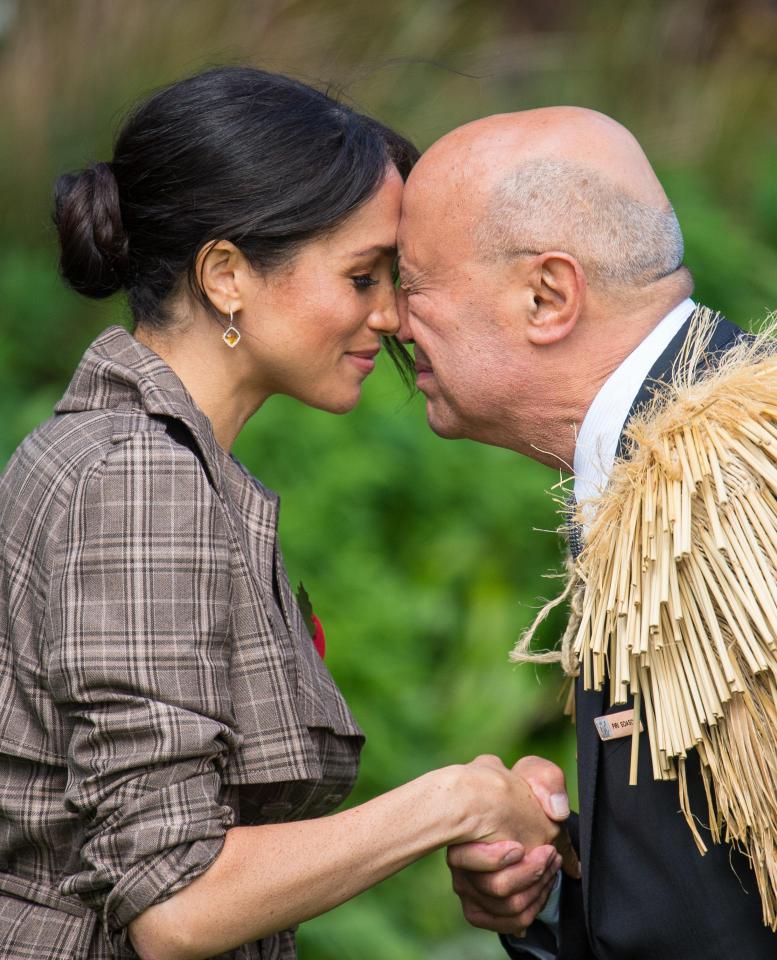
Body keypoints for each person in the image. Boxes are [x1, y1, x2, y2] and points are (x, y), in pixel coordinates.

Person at [0, 68, 571, 960]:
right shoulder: (139, 480)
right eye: (362, 275)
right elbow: (176, 904)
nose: (389, 316)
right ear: (226, 274)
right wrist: (453, 801)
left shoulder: (143, 457)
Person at [395, 106, 777, 959]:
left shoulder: (735, 490)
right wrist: (563, 882)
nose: (388, 319)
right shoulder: (662, 469)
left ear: (546, 295)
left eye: (410, 283)